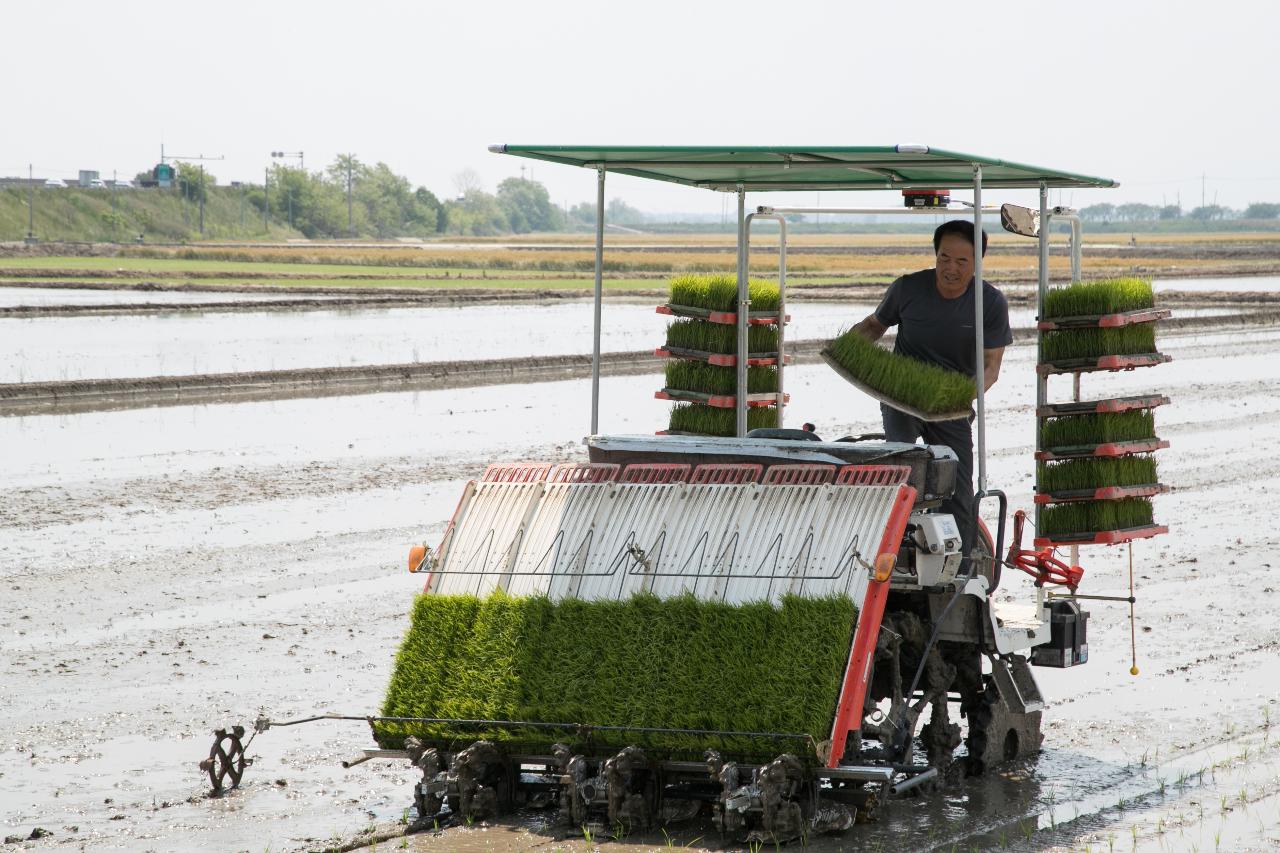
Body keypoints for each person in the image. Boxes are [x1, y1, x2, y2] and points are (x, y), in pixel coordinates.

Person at [850, 220, 1013, 570]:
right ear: (935, 255)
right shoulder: (908, 288)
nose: (951, 268)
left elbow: (991, 367)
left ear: (978, 264)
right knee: (906, 473)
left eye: (962, 262)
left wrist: (959, 397)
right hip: (901, 397)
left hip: (951, 405)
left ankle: (963, 569)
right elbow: (873, 327)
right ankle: (894, 556)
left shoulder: (990, 302)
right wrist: (844, 351)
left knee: (957, 485)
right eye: (944, 258)